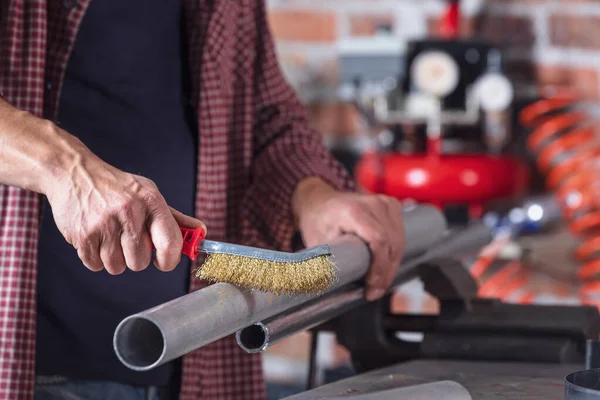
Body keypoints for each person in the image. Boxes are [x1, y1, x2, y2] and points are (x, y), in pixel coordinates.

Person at [0, 0, 406, 399]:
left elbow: (263, 114)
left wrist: (317, 197)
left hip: (200, 353)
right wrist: (66, 169)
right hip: (33, 358)